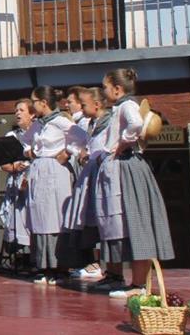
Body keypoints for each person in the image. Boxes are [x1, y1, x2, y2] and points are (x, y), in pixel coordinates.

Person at [94, 68, 175, 299]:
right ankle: (119, 277)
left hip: (127, 168)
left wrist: (121, 144)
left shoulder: (127, 105)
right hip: (119, 167)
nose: (103, 91)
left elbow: (136, 124)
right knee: (121, 225)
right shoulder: (119, 107)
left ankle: (138, 285)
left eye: (105, 87)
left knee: (136, 223)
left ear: (117, 89)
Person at [23, 86, 84, 285]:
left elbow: (83, 137)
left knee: (55, 217)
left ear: (43, 102)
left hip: (55, 170)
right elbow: (25, 141)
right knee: (40, 217)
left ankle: (61, 266)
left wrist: (67, 151)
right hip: (39, 170)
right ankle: (44, 266)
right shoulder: (38, 125)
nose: (32, 105)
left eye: (34, 101)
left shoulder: (60, 121)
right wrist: (29, 151)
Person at [65, 87, 107, 281]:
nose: (80, 108)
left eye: (83, 104)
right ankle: (92, 262)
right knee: (89, 218)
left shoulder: (108, 122)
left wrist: (92, 156)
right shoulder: (91, 124)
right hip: (91, 173)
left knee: (100, 218)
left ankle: (100, 264)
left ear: (97, 104)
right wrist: (83, 155)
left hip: (101, 174)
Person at [0, 100, 33, 272]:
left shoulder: (38, 133)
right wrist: (13, 167)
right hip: (15, 181)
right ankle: (18, 257)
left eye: (22, 110)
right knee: (15, 218)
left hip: (32, 181)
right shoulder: (11, 136)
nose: (18, 113)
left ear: (32, 114)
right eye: (16, 110)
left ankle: (33, 257)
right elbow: (2, 163)